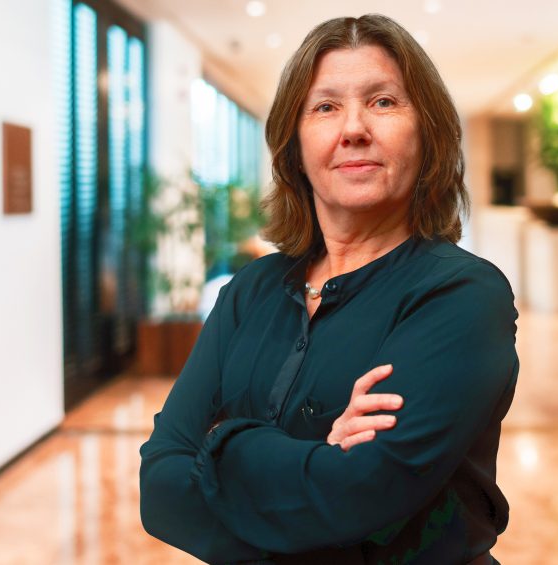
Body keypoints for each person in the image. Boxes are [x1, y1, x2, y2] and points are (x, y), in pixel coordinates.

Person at [139, 13, 519, 565]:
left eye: (383, 102)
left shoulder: (462, 295)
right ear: (294, 144)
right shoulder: (251, 289)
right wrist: (321, 460)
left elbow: (363, 495)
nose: (354, 128)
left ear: (427, 133)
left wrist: (222, 443)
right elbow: (159, 489)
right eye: (325, 107)